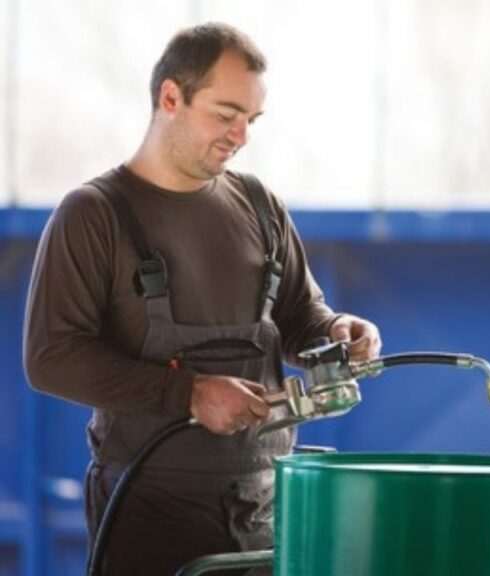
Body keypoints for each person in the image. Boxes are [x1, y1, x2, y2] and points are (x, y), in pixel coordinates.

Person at [22, 23, 382, 575]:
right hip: (147, 514)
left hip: (264, 512)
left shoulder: (259, 206)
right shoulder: (94, 215)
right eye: (226, 114)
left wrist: (336, 332)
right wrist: (189, 393)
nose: (241, 136)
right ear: (172, 96)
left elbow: (299, 317)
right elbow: (51, 360)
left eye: (251, 120)